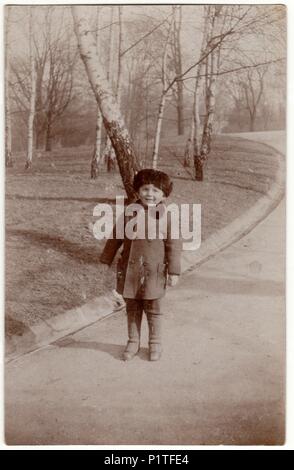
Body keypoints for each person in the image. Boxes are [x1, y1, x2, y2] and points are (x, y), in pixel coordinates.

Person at [100, 169, 182, 361]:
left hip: (154, 271)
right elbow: (116, 236)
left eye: (156, 190)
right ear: (138, 190)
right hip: (131, 271)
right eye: (145, 189)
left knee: (154, 308)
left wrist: (174, 271)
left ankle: (155, 343)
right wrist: (106, 258)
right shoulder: (129, 212)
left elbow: (174, 245)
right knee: (133, 307)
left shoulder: (167, 216)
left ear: (164, 194)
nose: (150, 194)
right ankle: (133, 341)